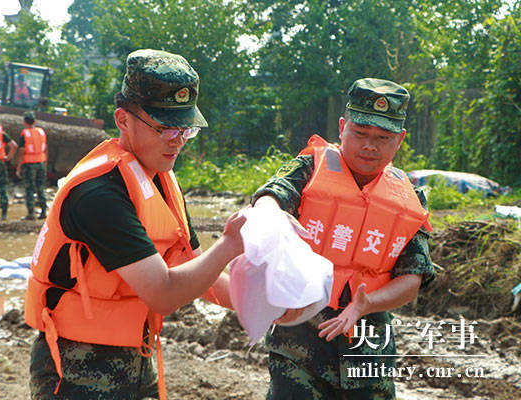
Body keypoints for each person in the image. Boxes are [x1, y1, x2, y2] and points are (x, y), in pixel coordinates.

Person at [24, 49, 244, 400]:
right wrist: (230, 245)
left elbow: (199, 273)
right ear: (123, 120)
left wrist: (271, 303)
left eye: (185, 128)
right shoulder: (99, 195)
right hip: (79, 366)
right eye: (164, 127)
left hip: (137, 356)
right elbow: (164, 294)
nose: (177, 140)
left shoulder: (160, 179)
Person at [252, 78, 435, 399]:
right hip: (299, 344)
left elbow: (413, 278)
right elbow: (272, 195)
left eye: (383, 138)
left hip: (368, 350)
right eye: (360, 133)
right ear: (342, 126)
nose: (370, 146)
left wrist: (366, 304)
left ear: (401, 139)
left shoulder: (410, 200)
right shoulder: (309, 168)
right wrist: (268, 213)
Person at [16, 111, 48, 220]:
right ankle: (44, 211)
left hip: (29, 164)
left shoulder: (24, 134)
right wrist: (45, 163)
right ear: (35, 121)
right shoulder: (41, 132)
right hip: (40, 163)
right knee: (40, 188)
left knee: (30, 189)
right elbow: (45, 148)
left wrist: (19, 167)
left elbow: (21, 151)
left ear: (25, 122)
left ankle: (31, 213)